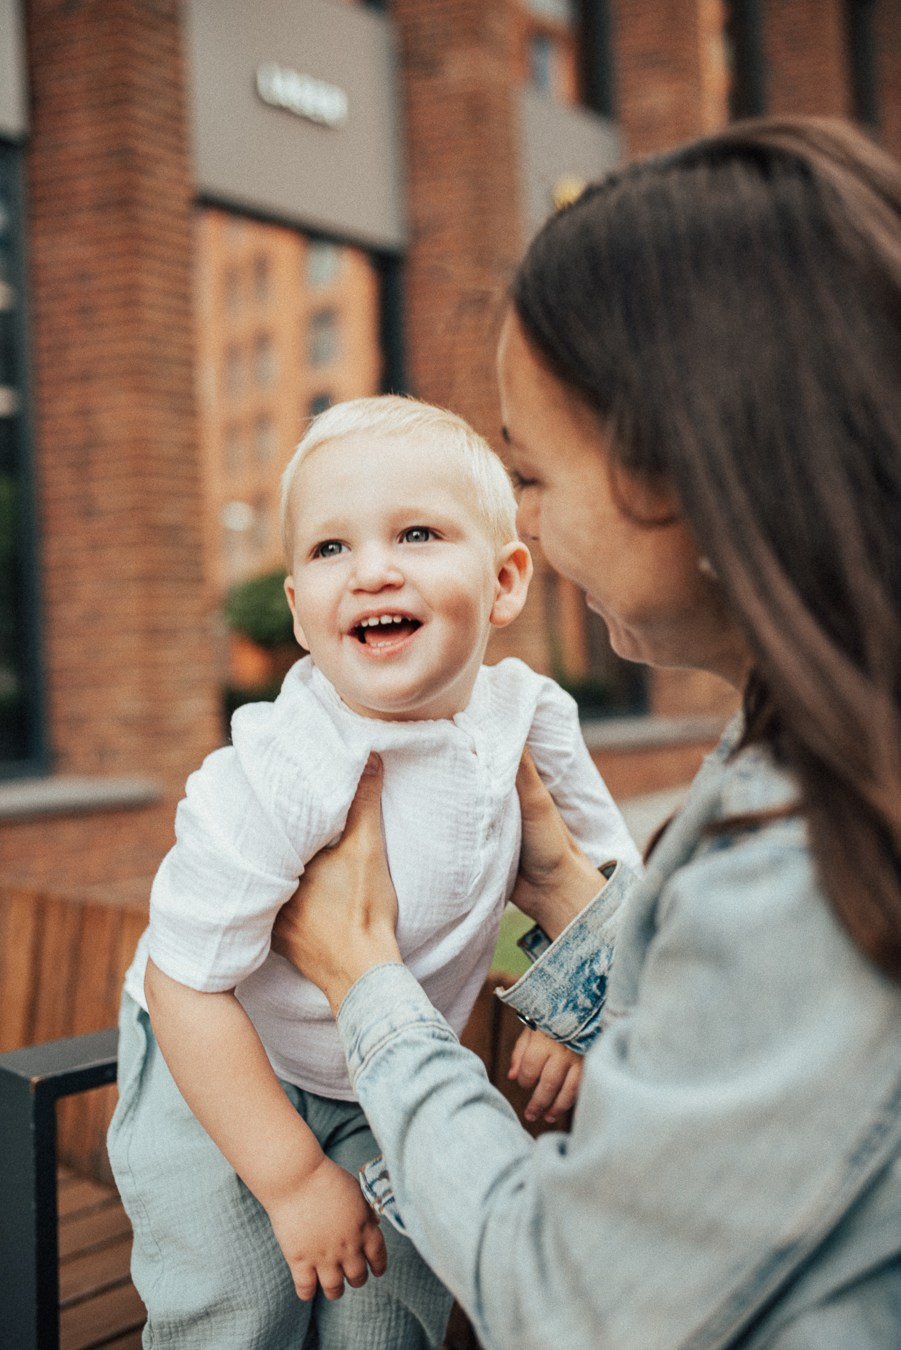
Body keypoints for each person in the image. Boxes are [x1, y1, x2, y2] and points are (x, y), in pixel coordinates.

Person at [270, 117, 901, 1349]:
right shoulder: (812, 753)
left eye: (535, 478)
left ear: (683, 469)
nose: (534, 541)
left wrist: (366, 986)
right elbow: (744, 1059)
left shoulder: (808, 866)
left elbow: (568, 1299)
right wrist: (565, 886)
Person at [106, 394, 640, 1349]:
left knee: (389, 1315)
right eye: (330, 548)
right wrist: (290, 1179)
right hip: (225, 1067)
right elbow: (184, 982)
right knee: (237, 1311)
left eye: (417, 534)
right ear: (299, 613)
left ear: (505, 581)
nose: (371, 571)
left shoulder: (526, 715)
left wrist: (578, 1005)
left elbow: (601, 869)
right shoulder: (284, 766)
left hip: (386, 1071)